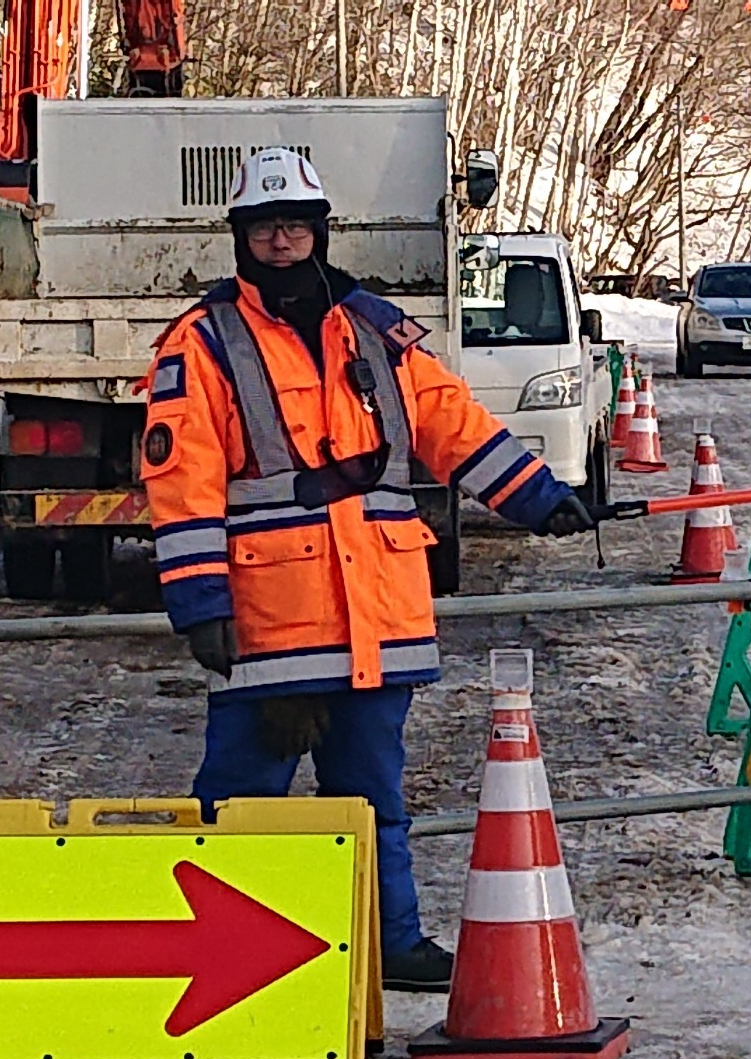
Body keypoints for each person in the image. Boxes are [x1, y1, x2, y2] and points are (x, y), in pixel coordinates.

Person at [140, 148, 595, 992]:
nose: (282, 242)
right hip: (270, 626)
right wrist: (200, 600)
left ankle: (392, 943)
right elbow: (181, 476)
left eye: (295, 226)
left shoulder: (375, 329)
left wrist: (536, 495)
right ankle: (210, 962)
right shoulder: (202, 344)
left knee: (375, 794)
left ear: (320, 231)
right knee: (238, 801)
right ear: (242, 237)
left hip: (377, 617)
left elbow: (446, 418)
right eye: (266, 228)